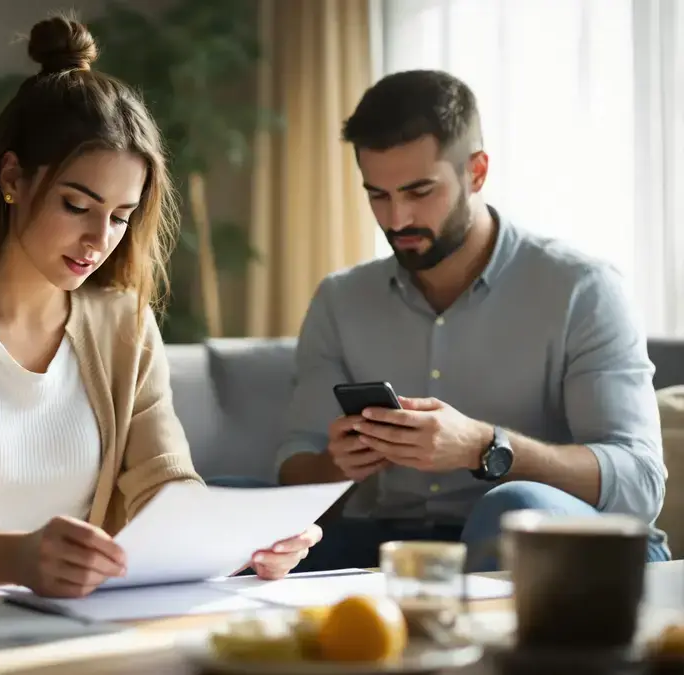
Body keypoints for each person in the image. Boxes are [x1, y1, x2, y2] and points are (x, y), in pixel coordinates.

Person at [0, 15, 321, 604]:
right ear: (12, 179)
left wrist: (244, 541)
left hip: (55, 627)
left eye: (122, 216)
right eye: (78, 205)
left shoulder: (126, 324)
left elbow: (167, 487)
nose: (100, 240)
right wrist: (17, 557)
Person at [276, 69, 669, 572]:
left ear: (477, 172)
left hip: (560, 543)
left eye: (420, 191)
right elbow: (293, 474)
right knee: (236, 517)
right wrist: (339, 466)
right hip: (392, 547)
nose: (396, 220)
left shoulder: (582, 288)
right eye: (378, 195)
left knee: (511, 509)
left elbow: (639, 484)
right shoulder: (340, 299)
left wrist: (486, 448)